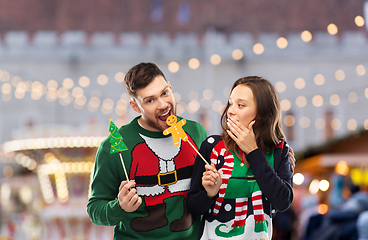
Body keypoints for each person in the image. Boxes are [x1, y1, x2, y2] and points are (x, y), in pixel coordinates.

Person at [87, 62, 208, 240]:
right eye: (150, 100)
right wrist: (120, 207)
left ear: (171, 89)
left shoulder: (195, 132)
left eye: (165, 93)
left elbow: (204, 197)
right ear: (135, 106)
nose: (163, 105)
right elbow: (95, 210)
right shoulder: (113, 146)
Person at [187, 76, 294, 240]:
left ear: (262, 114)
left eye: (241, 105)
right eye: (230, 103)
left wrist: (253, 151)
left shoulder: (279, 150)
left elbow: (282, 202)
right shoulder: (211, 146)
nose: (230, 110)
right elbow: (193, 207)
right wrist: (209, 194)